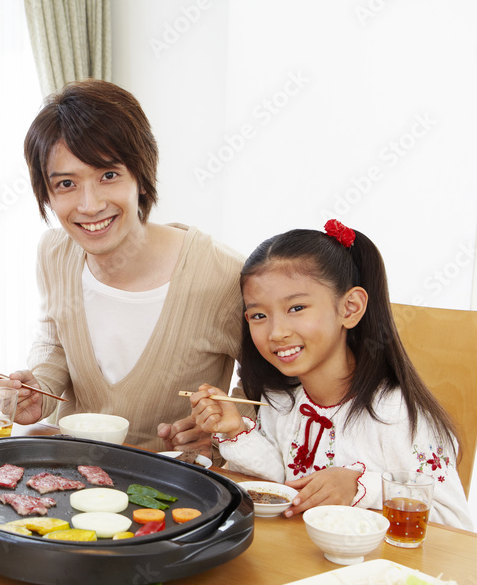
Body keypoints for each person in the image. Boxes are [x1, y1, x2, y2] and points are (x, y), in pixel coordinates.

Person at [2, 78, 246, 452]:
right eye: (66, 184)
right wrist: (39, 389)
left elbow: (275, 386)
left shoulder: (222, 274)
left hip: (173, 480)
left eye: (109, 176)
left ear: (142, 178)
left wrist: (226, 430)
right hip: (72, 470)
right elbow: (55, 340)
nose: (90, 205)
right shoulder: (55, 253)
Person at [189, 220, 472, 528]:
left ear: (349, 308)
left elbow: (455, 524)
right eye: (259, 315)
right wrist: (235, 430)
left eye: (296, 308)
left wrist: (359, 486)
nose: (277, 332)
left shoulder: (396, 415)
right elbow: (282, 481)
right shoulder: (280, 399)